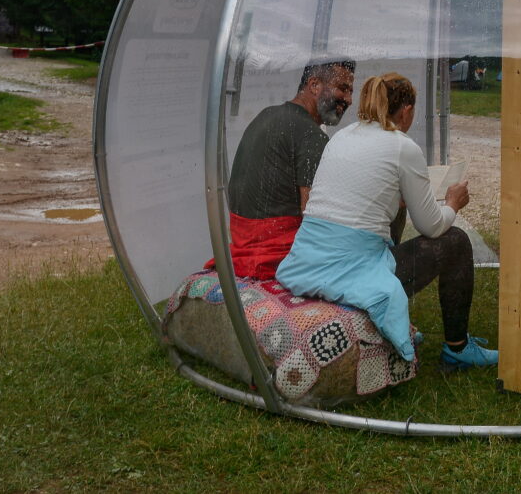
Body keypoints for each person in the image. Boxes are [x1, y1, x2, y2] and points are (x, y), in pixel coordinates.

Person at [276, 72, 497, 370]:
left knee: (399, 210)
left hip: (308, 260)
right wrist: (452, 204)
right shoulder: (402, 146)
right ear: (406, 110)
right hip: (350, 267)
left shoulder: (343, 135)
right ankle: (457, 348)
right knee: (455, 241)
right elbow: (431, 226)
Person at [206, 58, 355, 279]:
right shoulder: (312, 135)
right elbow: (314, 217)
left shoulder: (267, 114)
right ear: (314, 85)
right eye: (343, 89)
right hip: (274, 252)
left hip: (242, 242)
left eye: (351, 91)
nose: (349, 99)